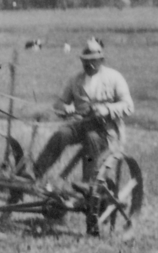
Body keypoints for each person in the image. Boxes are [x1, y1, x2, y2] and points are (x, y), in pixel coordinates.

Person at [33, 37, 134, 190]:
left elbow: (128, 106)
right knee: (61, 134)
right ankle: (35, 173)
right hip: (80, 124)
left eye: (93, 60)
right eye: (85, 61)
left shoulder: (114, 78)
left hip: (105, 129)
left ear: (101, 60)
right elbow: (59, 103)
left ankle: (87, 183)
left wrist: (107, 109)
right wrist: (65, 108)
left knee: (91, 139)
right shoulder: (75, 79)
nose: (88, 64)